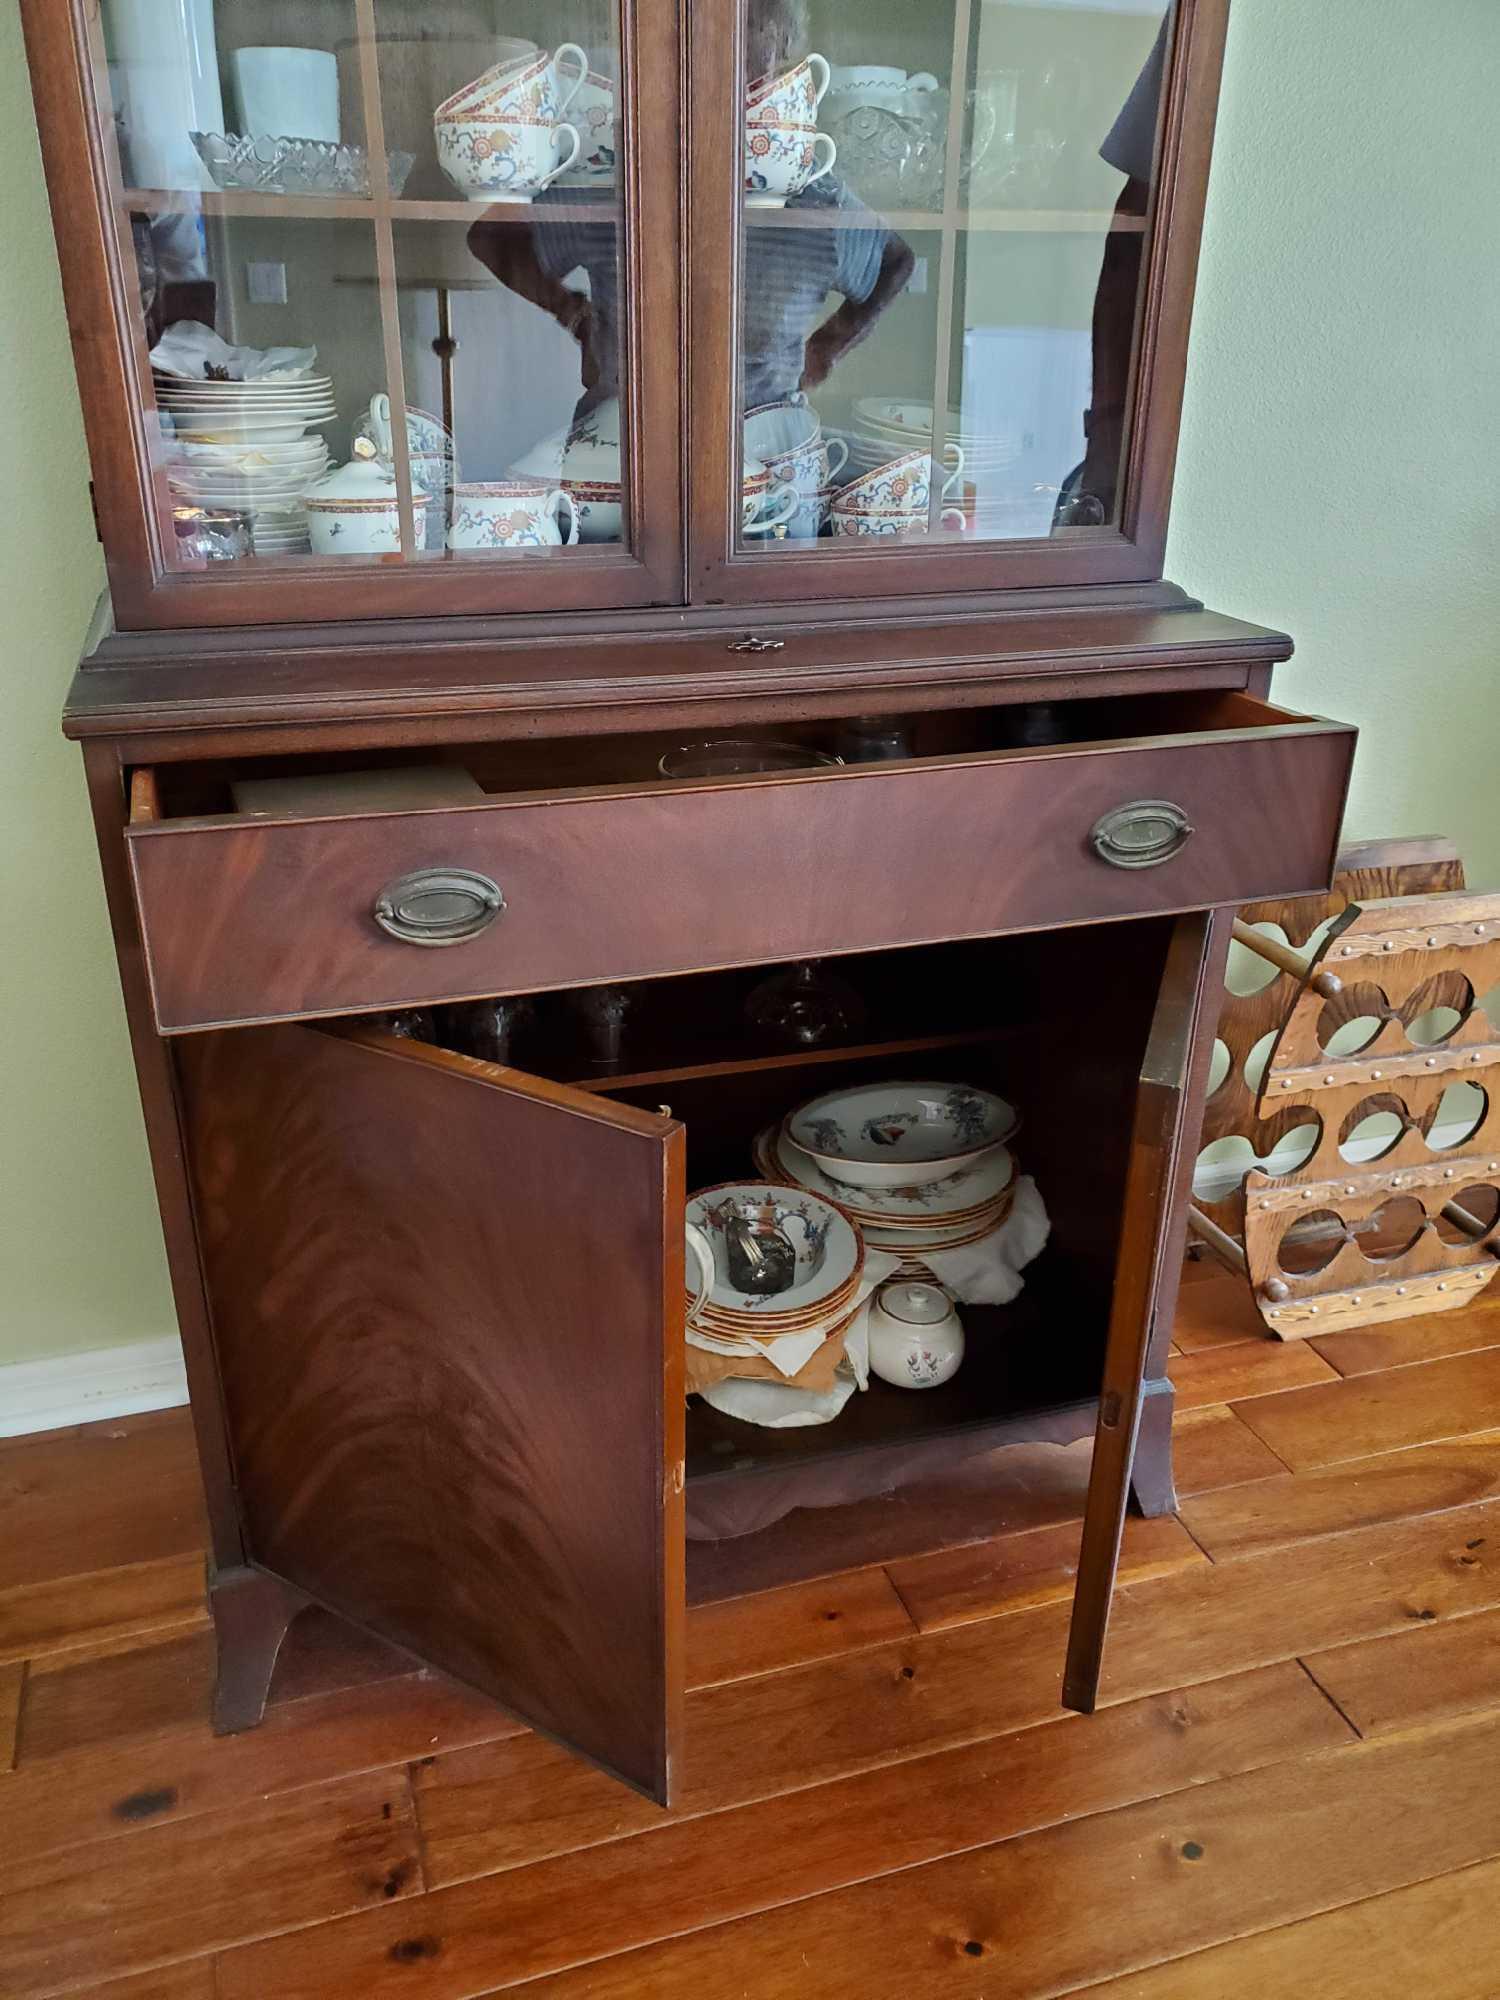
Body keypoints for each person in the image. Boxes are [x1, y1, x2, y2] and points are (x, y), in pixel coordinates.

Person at [465, 0, 912, 423]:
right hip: (623, 441)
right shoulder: (623, 175)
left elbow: (895, 262)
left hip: (767, 440)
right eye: (735, 66)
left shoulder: (815, 191)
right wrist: (572, 312)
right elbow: (493, 239)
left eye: (768, 67)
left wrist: (826, 351)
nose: (751, 86)